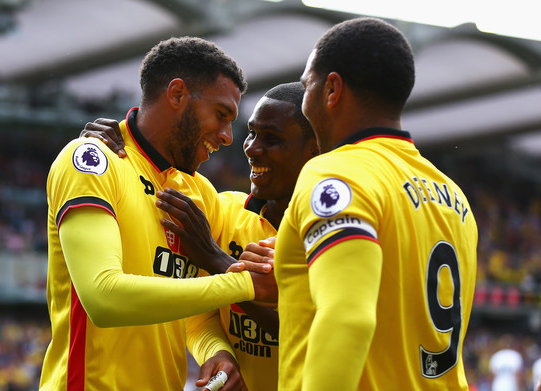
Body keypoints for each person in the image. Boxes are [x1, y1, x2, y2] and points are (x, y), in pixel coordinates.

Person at [40, 36, 275, 391]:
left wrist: (215, 350)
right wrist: (244, 283)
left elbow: (195, 317)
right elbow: (104, 297)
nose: (228, 137)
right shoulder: (93, 161)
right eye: (221, 114)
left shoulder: (199, 194)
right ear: (177, 94)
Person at [272, 17, 478, 390]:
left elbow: (348, 317)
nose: (303, 100)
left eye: (306, 86)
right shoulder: (454, 196)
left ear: (331, 89)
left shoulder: (335, 174)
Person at [81, 81, 319, 391]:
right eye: (251, 133)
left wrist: (217, 259)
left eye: (271, 139)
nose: (250, 148)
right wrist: (116, 143)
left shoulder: (334, 233)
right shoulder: (222, 211)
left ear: (316, 149)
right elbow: (198, 319)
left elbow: (314, 337)